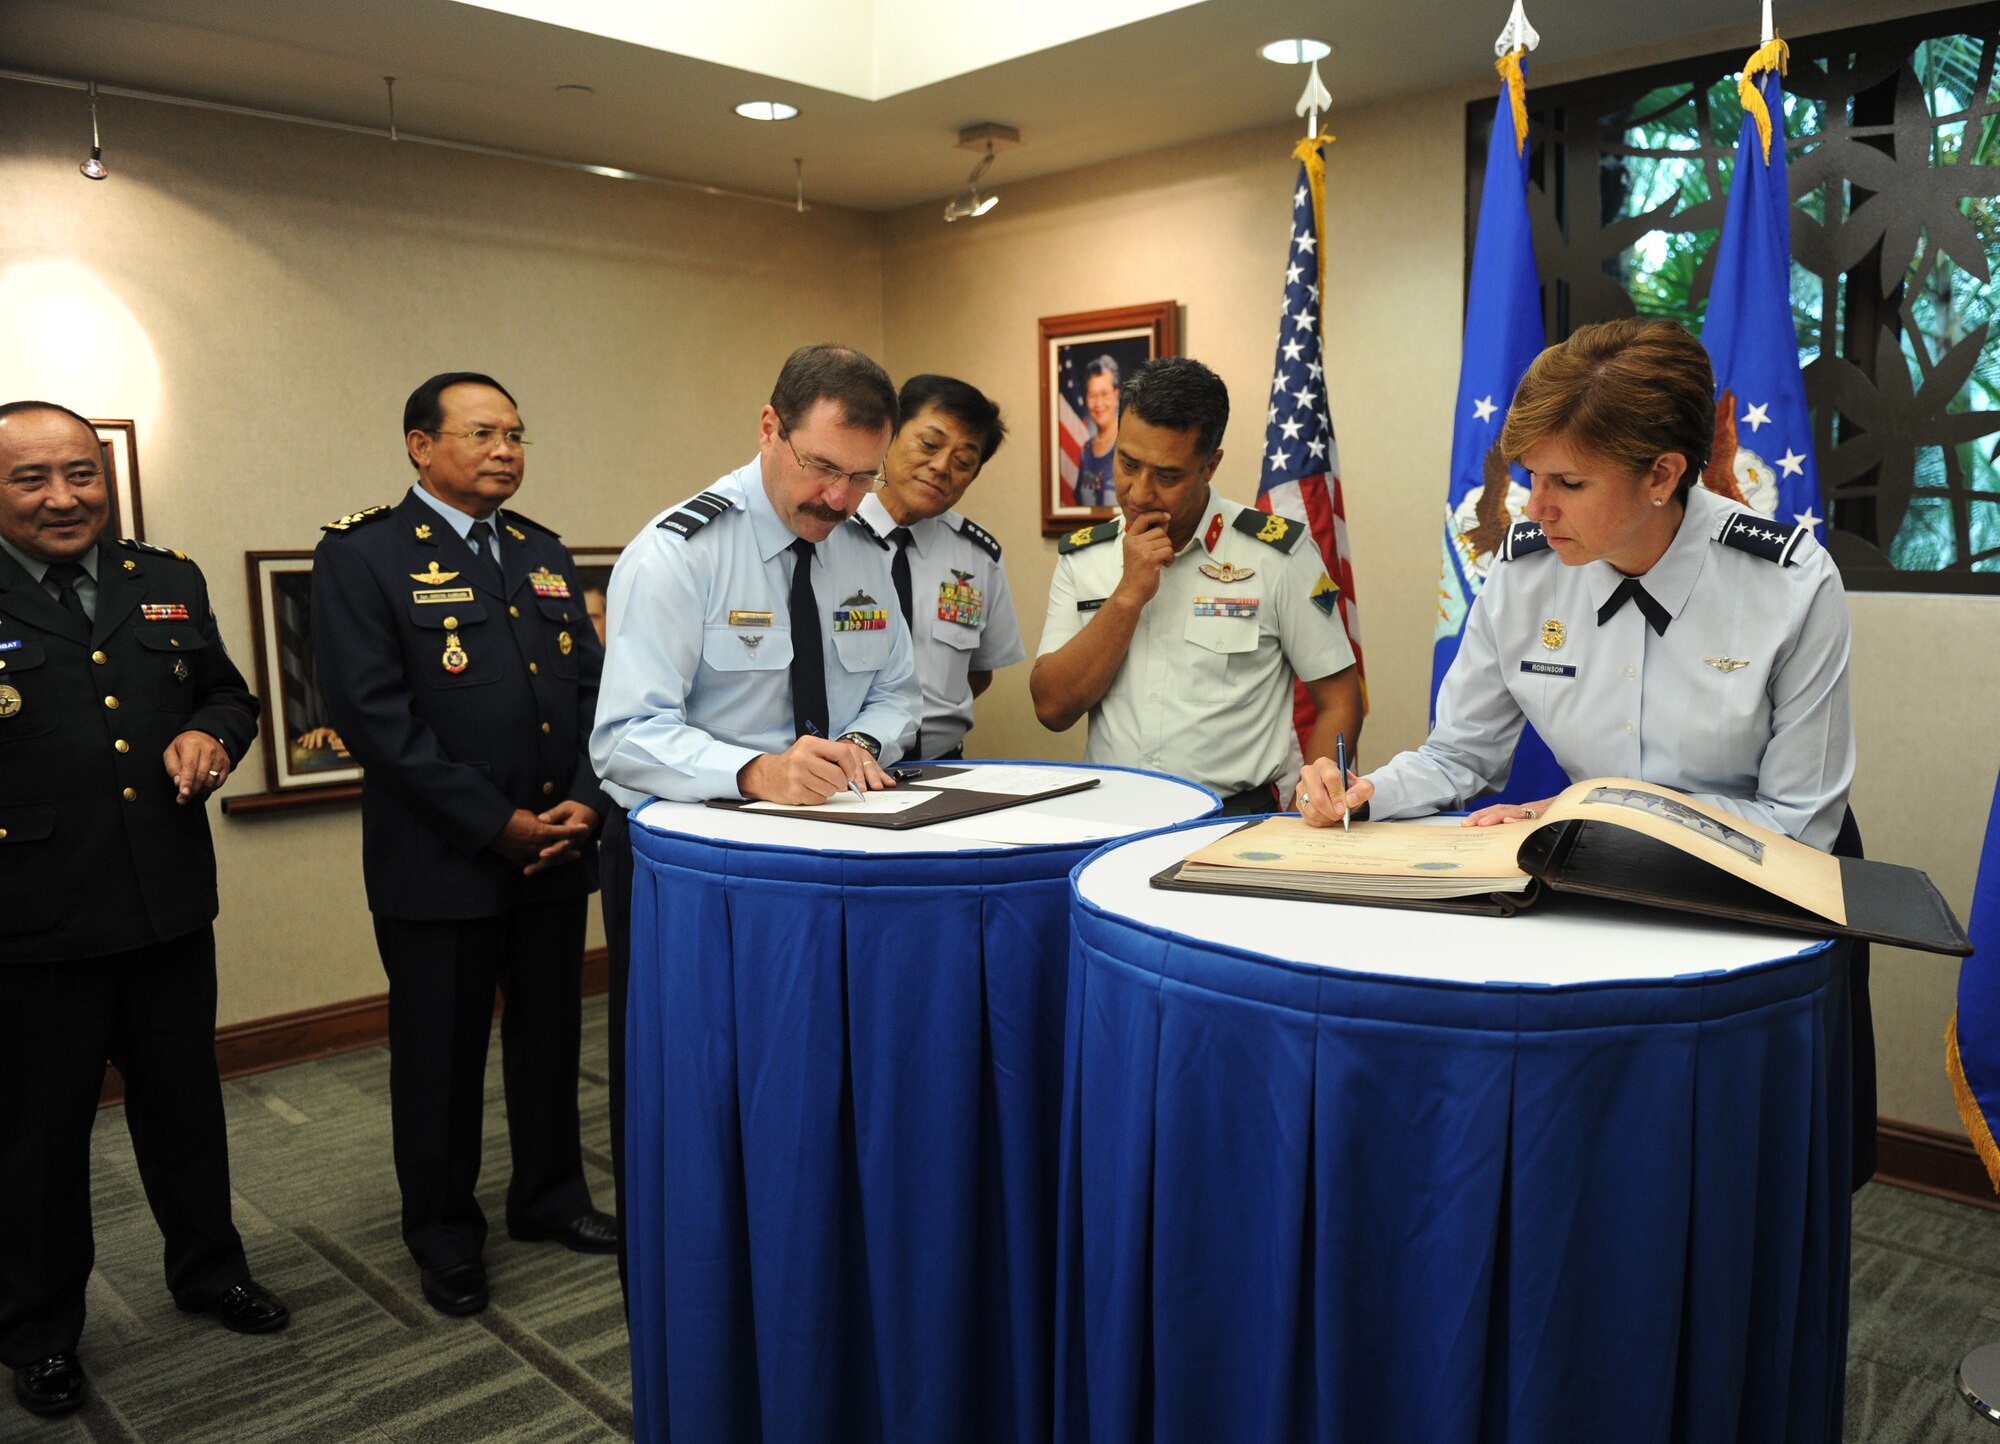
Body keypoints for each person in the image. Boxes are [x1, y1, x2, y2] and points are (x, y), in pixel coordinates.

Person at [1295, 319, 1877, 1186]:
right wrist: (1362, 790)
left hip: (1767, 893)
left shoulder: (1789, 585)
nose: (1536, 508)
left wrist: (1598, 814)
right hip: (1607, 888)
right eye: (1531, 478)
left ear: (1662, 475)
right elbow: (1461, 757)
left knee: (1754, 1165)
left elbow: (1798, 820)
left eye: (1568, 482)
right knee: (1617, 1159)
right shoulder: (1524, 571)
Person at [589, 342, 920, 1299]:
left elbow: (899, 692)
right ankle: (680, 1260)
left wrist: (863, 740)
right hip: (700, 861)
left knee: (816, 1069)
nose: (842, 497)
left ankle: (812, 1248)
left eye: (863, 476)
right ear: (769, 427)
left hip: (834, 845)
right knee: (698, 1080)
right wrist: (754, 769)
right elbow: (624, 740)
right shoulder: (678, 551)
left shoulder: (861, 550)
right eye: (823, 467)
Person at [0, 400, 288, 1419]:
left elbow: (230, 696)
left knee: (184, 1109)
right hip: (33, 923)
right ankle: (38, 1330)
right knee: (39, 1141)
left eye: (81, 473)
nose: (64, 496)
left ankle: (209, 1269)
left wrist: (212, 737)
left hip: (166, 904)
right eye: (32, 478)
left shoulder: (163, 578)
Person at [311, 372, 616, 1319]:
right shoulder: (361, 556)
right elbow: (373, 719)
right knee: (439, 1058)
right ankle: (443, 1234)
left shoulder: (543, 552)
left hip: (556, 849)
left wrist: (584, 799)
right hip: (441, 861)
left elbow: (596, 698)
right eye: (483, 433)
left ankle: (550, 1198)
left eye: (517, 434)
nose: (506, 450)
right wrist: (496, 823)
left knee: (549, 1039)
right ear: (419, 445)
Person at [1031, 356, 1362, 814]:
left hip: (1232, 816)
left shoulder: (1275, 555)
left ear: (1210, 466)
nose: (1140, 492)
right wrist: (1127, 595)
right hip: (1109, 815)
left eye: (1167, 476)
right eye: (1127, 463)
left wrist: (1310, 808)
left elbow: (1339, 697)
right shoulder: (1086, 555)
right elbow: (1052, 708)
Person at [852, 373, 1024, 759]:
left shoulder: (978, 556)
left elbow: (979, 672)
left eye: (963, 461)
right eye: (929, 444)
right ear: (890, 433)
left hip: (941, 767)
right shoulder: (830, 534)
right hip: (839, 770)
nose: (941, 466)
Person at [1073, 354, 1120, 508]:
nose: (1098, 403)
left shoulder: (1128, 445)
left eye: (1104, 394)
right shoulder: (1085, 451)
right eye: (1092, 395)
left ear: (1116, 394)